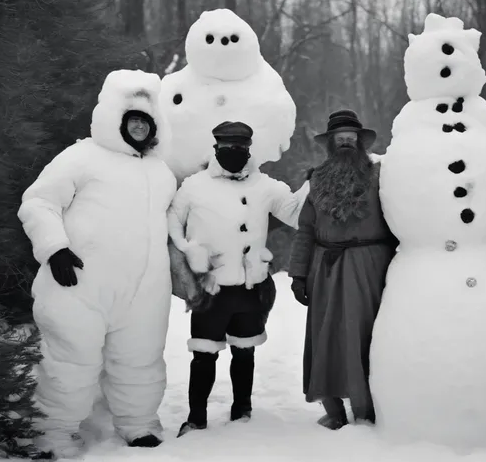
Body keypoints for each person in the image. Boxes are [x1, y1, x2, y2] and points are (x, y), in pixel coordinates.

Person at [18, 70, 178, 458]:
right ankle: (51, 433)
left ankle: (138, 424)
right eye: (132, 120)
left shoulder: (161, 172)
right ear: (116, 120)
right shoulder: (82, 156)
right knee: (70, 361)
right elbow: (38, 202)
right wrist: (54, 248)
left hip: (143, 291)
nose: (138, 127)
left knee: (140, 360)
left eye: (145, 121)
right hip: (80, 284)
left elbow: (174, 225)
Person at [167, 120, 309, 436]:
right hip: (210, 289)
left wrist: (314, 184)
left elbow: (296, 214)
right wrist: (188, 254)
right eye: (228, 147)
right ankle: (195, 418)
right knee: (203, 356)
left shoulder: (265, 186)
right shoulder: (194, 186)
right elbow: (172, 223)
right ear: (216, 148)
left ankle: (241, 411)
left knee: (244, 352)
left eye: (241, 147)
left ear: (249, 150)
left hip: (250, 288)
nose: (234, 152)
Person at [288, 109, 397, 430]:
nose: (346, 142)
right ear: (331, 143)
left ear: (360, 142)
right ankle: (334, 409)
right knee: (326, 338)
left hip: (370, 267)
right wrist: (297, 274)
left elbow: (397, 221)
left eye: (351, 137)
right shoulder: (317, 179)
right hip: (326, 269)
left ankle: (368, 410)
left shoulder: (380, 175)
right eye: (340, 138)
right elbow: (306, 229)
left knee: (365, 338)